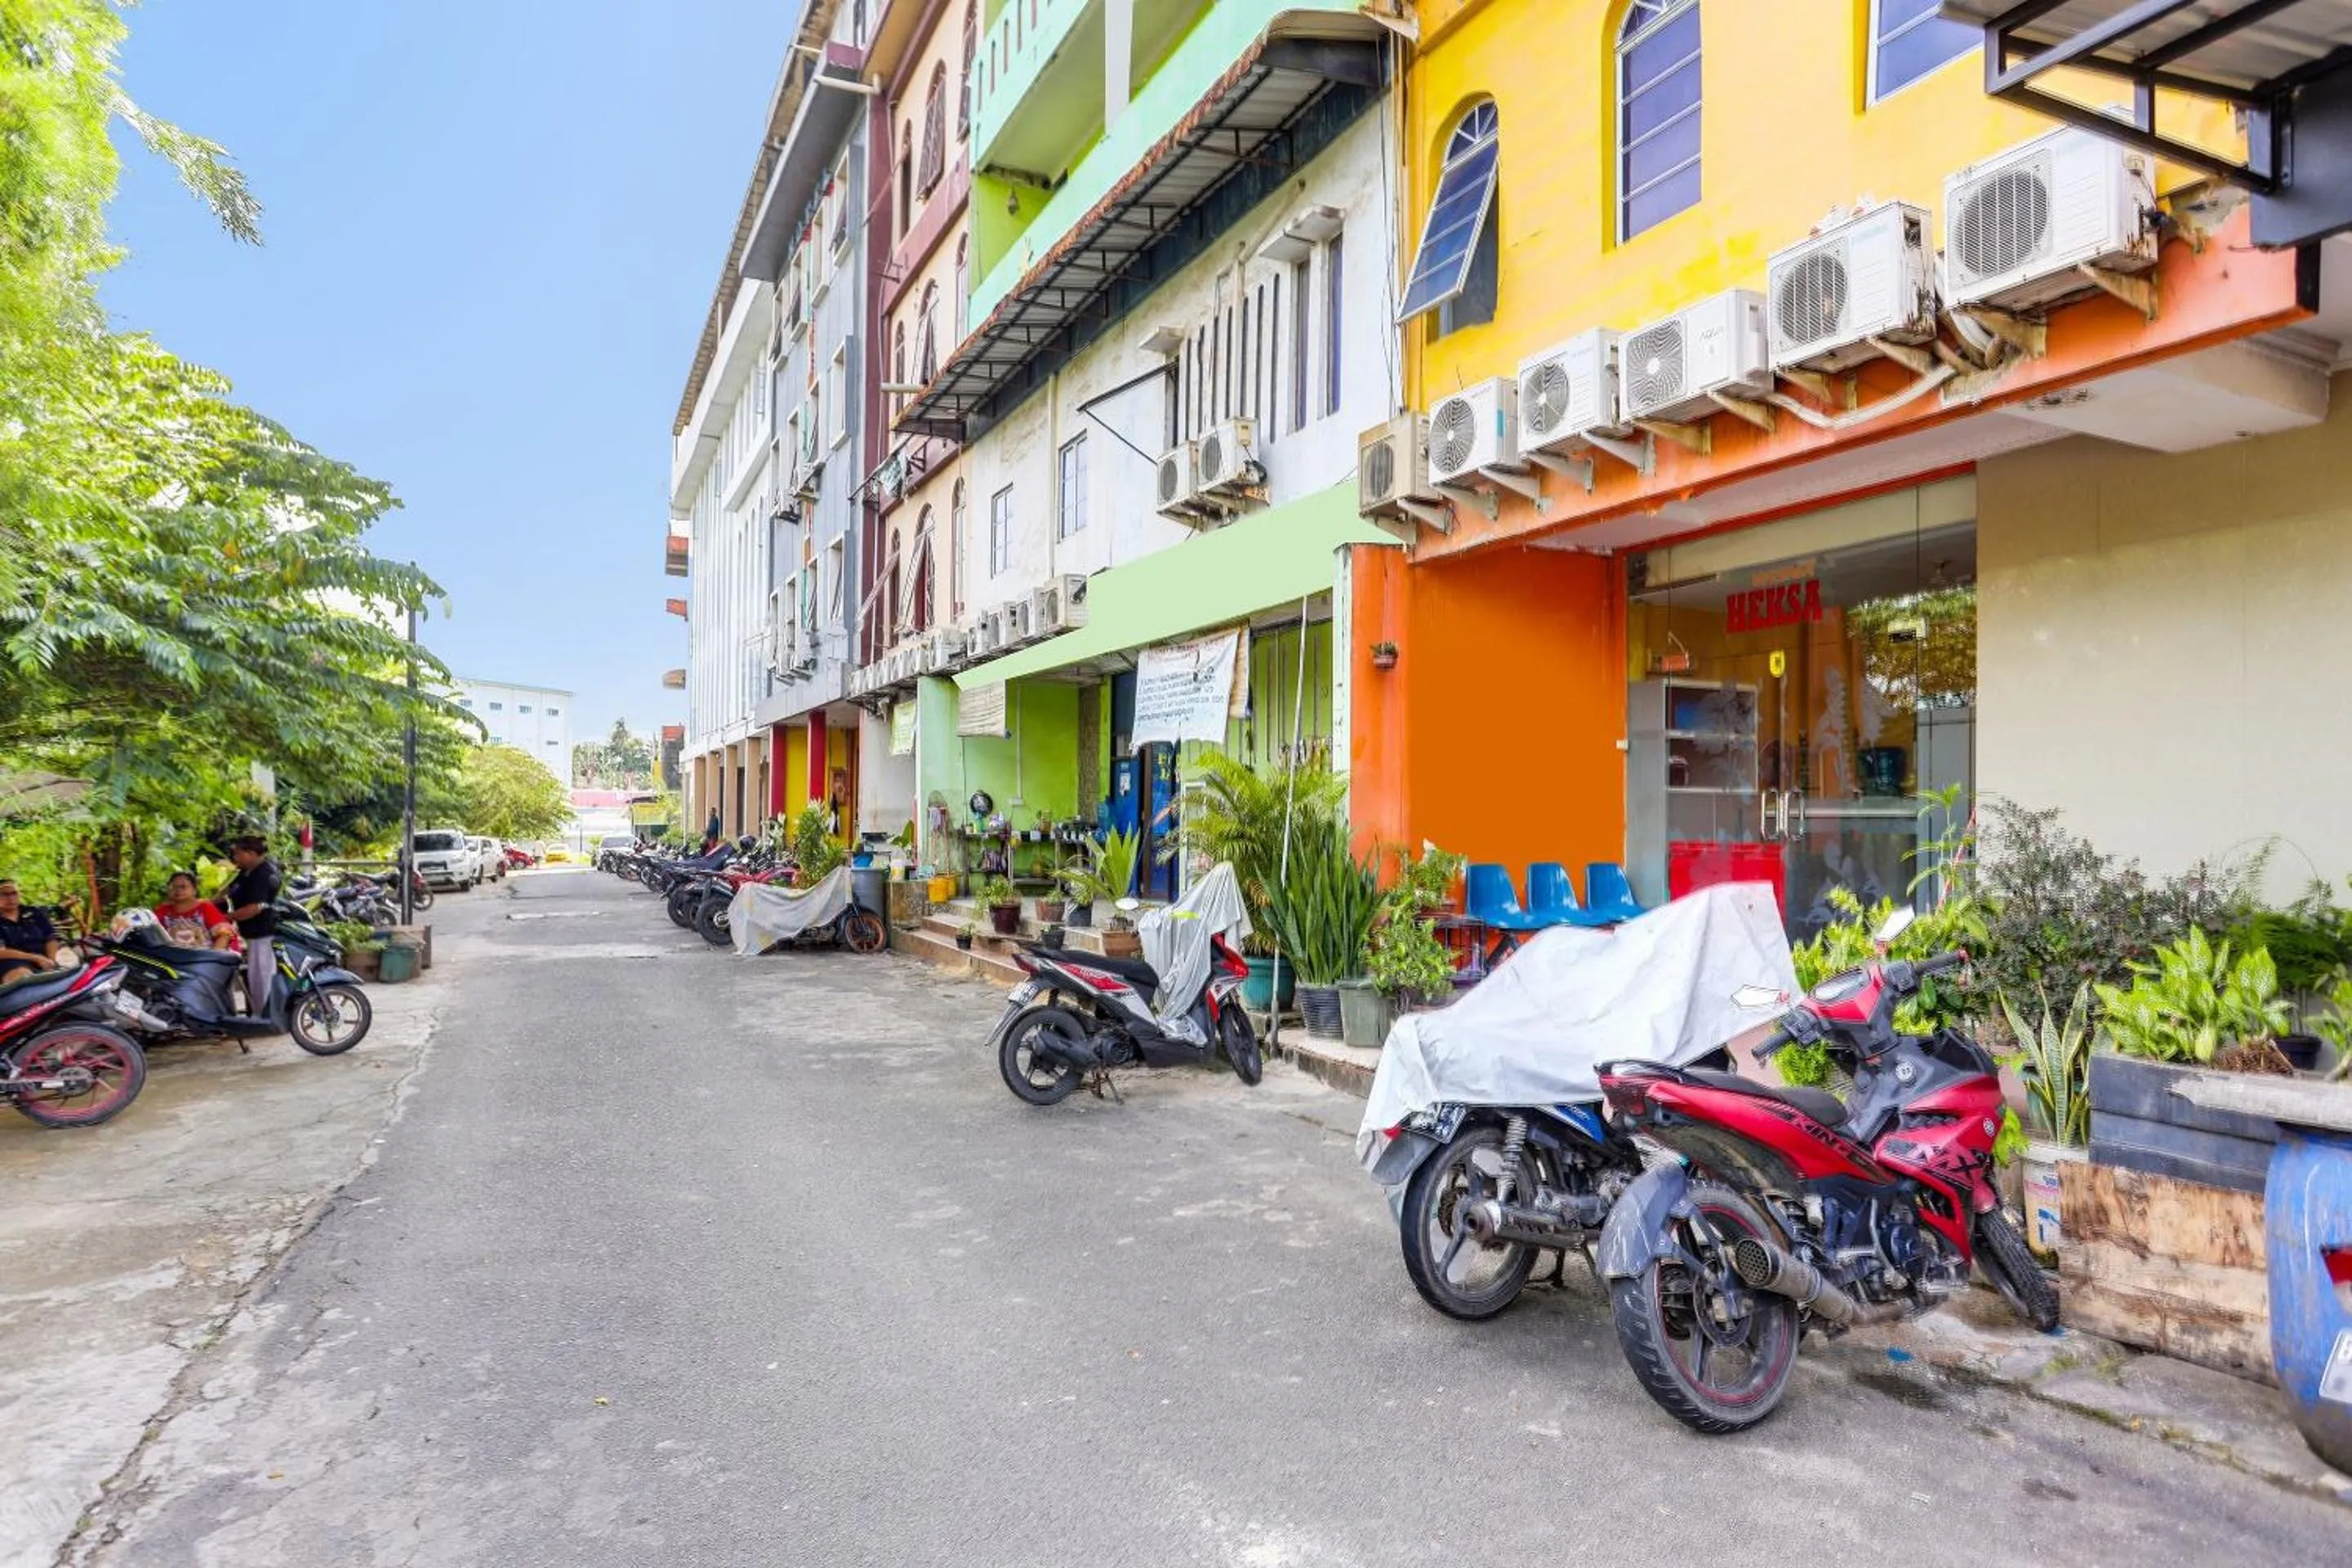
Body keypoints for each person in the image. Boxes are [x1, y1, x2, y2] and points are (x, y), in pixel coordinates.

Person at [220, 836, 283, 1017]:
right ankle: (258, 1013)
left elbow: (254, 908)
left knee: (262, 977)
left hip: (263, 932)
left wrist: (227, 917)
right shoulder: (246, 872)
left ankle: (266, 1016)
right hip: (250, 933)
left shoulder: (265, 874)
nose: (235, 858)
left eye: (238, 854)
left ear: (250, 854)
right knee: (254, 977)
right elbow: (228, 892)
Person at [153, 871, 238, 951]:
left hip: (202, 961)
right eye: (173, 887)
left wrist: (212, 959)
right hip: (171, 962)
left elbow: (224, 935)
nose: (178, 890)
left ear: (194, 890)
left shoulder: (205, 907)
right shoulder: (162, 910)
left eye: (183, 887)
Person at [0, 880, 61, 982]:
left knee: (73, 960)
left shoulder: (33, 912)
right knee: (24, 977)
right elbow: (1, 952)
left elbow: (51, 937)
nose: (11, 898)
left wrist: (51, 960)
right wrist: (35, 958)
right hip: (12, 962)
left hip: (45, 957)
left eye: (14, 893)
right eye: (4, 894)